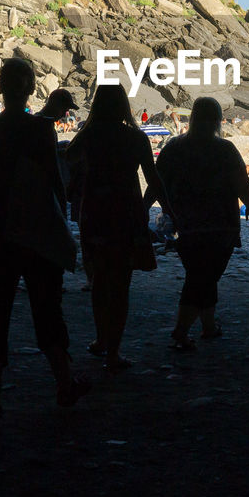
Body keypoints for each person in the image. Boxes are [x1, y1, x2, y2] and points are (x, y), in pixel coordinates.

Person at [0, 64, 87, 434]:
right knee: (47, 309)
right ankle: (65, 384)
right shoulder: (41, 130)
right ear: (32, 89)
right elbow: (56, 184)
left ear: (1, 88)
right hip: (37, 232)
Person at [66, 84, 168, 371]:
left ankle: (100, 340)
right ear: (124, 105)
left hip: (95, 210)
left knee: (99, 279)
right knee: (121, 285)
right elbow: (153, 178)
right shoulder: (136, 138)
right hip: (126, 211)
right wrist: (170, 211)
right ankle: (114, 352)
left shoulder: (89, 134)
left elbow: (68, 160)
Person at [150, 97, 249, 349]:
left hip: (186, 224)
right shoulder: (225, 149)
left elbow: (157, 182)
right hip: (222, 225)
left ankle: (209, 327)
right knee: (205, 278)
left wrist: (146, 208)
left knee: (200, 274)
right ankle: (180, 330)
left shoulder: (174, 148)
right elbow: (241, 182)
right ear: (218, 120)